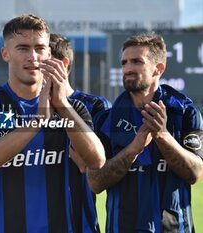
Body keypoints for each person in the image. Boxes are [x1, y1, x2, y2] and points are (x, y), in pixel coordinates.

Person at [0, 14, 105, 233]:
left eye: (39, 48)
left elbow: (97, 160)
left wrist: (62, 106)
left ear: (49, 53)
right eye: (23, 48)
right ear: (5, 54)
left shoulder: (73, 108)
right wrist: (37, 120)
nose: (33, 57)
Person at [87, 33, 203, 232]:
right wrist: (133, 150)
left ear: (158, 69)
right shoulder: (107, 119)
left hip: (174, 229)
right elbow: (96, 182)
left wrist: (163, 136)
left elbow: (194, 173)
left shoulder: (184, 112)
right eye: (124, 63)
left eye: (136, 61)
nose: (128, 68)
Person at [48, 33, 111, 232]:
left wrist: (91, 164)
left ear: (64, 64)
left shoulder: (95, 106)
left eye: (44, 61)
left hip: (80, 221)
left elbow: (107, 169)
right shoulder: (24, 109)